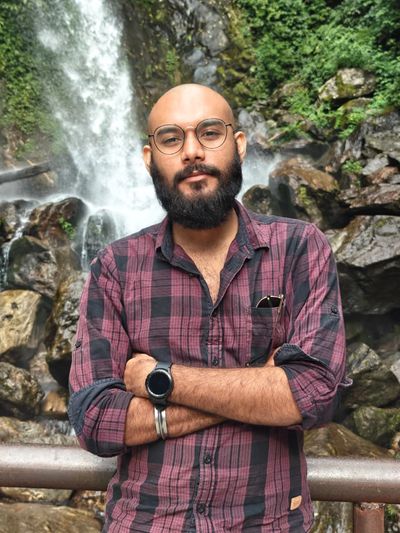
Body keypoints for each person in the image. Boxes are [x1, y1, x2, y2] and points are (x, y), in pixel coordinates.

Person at [68, 83, 348, 532]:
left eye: (210, 132)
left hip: (266, 523)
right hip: (145, 523)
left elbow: (315, 392)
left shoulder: (299, 247)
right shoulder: (115, 267)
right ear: (149, 158)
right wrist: (263, 385)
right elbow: (95, 420)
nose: (192, 151)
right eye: (171, 138)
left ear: (239, 144)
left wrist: (160, 380)